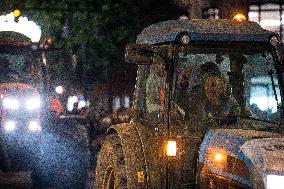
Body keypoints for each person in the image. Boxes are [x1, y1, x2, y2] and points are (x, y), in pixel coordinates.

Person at [186, 62, 240, 129]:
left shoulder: (233, 108)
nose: (209, 90)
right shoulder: (198, 106)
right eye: (207, 86)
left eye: (213, 85)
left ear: (222, 87)